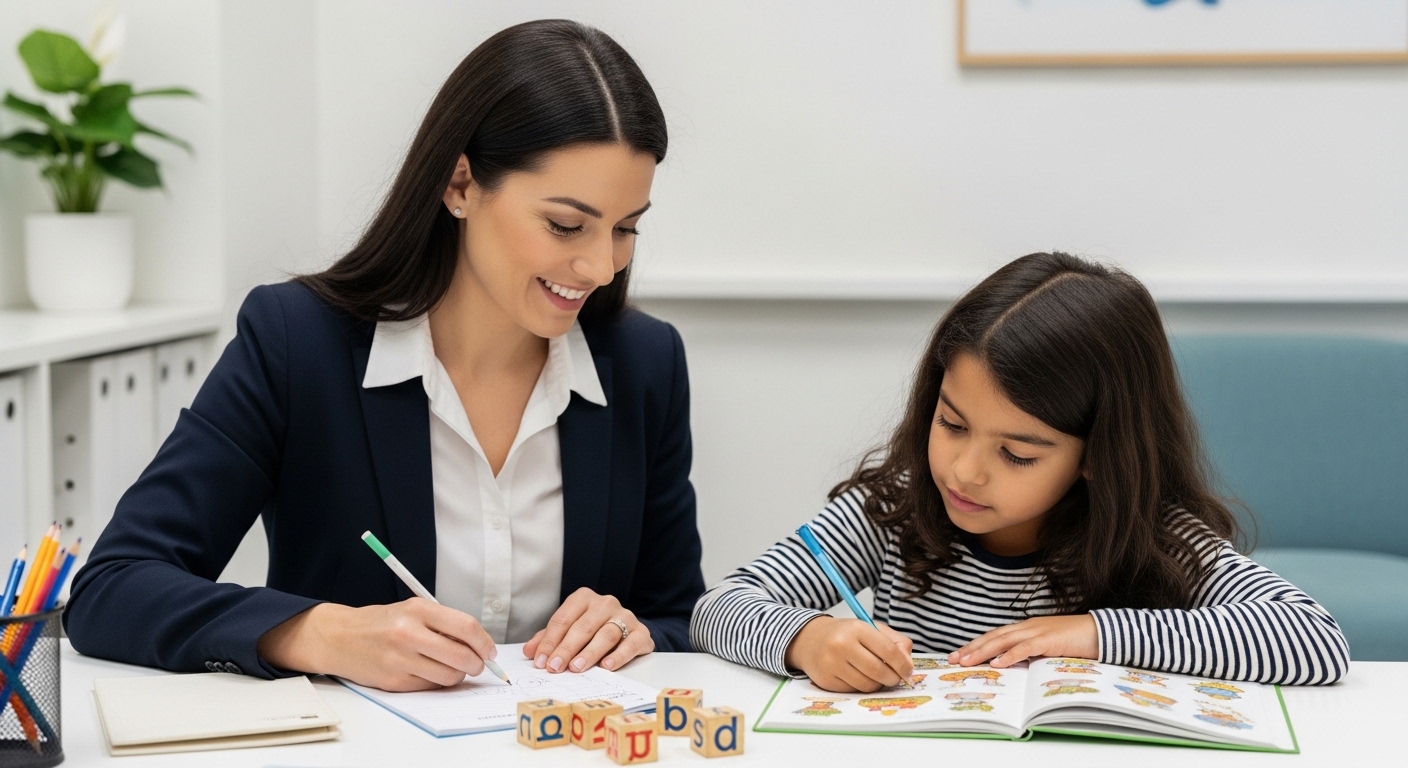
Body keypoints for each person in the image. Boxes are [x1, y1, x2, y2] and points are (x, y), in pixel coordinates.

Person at [65, 19, 705, 692]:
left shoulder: (643, 364)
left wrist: (634, 630)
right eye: (566, 225)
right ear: (459, 185)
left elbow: (681, 617)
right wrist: (320, 633)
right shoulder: (297, 344)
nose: (602, 265)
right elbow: (114, 589)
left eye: (627, 228)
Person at [690, 252, 1349, 692]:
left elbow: (1313, 640)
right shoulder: (889, 512)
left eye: (1018, 454)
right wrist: (809, 637)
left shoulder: (1153, 538)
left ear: (1098, 456)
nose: (965, 472)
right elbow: (718, 609)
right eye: (950, 424)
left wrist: (1092, 632)